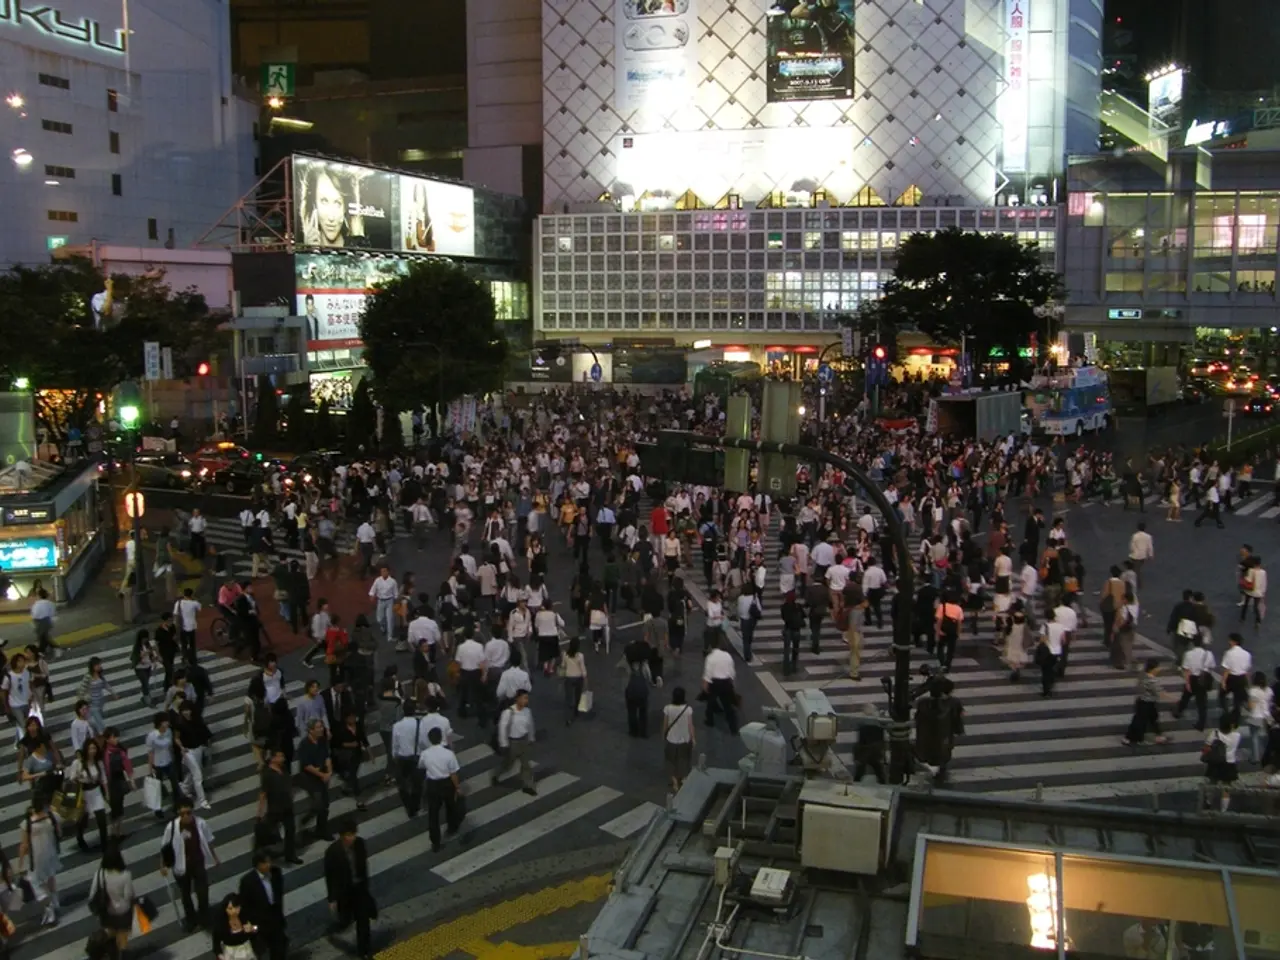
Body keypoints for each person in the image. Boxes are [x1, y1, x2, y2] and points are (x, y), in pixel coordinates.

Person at [160, 797, 220, 932]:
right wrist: (162, 865)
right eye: (182, 814)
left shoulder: (201, 823)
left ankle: (204, 917)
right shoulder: (172, 827)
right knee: (185, 894)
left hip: (198, 862)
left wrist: (215, 857)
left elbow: (209, 841)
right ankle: (191, 919)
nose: (186, 816)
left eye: (188, 813)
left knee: (202, 892)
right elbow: (164, 846)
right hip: (181, 865)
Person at [323, 817, 376, 960]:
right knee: (345, 919)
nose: (352, 838)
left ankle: (364, 951)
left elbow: (363, 867)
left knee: (363, 920)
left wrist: (365, 886)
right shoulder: (332, 852)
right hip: (345, 891)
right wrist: (332, 898)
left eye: (353, 834)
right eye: (348, 835)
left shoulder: (360, 844)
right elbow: (330, 876)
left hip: (359, 888)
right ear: (342, 836)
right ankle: (337, 929)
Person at [20, 794, 62, 926]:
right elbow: (59, 833)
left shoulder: (28, 823)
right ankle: (55, 903)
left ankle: (49, 909)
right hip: (51, 853)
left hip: (36, 858)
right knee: (50, 878)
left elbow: (24, 845)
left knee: (36, 883)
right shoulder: (53, 817)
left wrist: (20, 863)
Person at [255, 748, 302, 865]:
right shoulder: (267, 774)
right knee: (266, 831)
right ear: (273, 758)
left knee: (290, 831)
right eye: (280, 756)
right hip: (275, 809)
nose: (283, 759)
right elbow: (263, 793)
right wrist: (260, 811)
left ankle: (290, 855)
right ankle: (260, 853)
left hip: (287, 806)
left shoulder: (283, 769)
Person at [419, 726, 462, 852]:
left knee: (433, 814)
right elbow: (453, 773)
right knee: (450, 806)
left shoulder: (425, 754)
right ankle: (452, 828)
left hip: (433, 785)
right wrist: (457, 787)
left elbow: (421, 766)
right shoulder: (449, 754)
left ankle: (435, 842)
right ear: (441, 738)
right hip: (447, 783)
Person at [238, 850, 287, 960]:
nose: (268, 865)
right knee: (261, 950)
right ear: (258, 865)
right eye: (265, 863)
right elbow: (244, 905)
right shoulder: (248, 881)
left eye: (269, 862)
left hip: (274, 916)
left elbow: (279, 893)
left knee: (279, 947)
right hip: (260, 922)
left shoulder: (275, 873)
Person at [492, 689, 537, 795]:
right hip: (513, 743)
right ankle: (496, 775)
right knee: (508, 764)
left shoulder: (527, 711)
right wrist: (504, 743)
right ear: (518, 699)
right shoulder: (509, 712)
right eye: (524, 698)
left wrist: (531, 737)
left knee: (526, 765)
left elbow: (530, 725)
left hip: (524, 741)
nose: (526, 701)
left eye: (527, 698)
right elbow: (503, 728)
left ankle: (527, 786)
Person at [87, 842, 133, 946]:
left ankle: (110, 949)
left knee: (110, 935)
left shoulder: (99, 874)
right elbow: (128, 896)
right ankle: (121, 951)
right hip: (122, 913)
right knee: (122, 937)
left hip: (106, 912)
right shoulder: (125, 875)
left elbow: (92, 894)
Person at [68, 738, 109, 851]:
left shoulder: (98, 762)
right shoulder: (77, 763)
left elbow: (103, 779)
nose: (92, 751)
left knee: (101, 818)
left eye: (94, 748)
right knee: (83, 820)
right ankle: (80, 838)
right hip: (84, 793)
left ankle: (104, 842)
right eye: (90, 748)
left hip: (96, 792)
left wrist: (107, 793)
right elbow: (72, 779)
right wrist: (79, 776)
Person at [1121, 659, 1170, 746]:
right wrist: (1173, 699)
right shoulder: (1151, 680)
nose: (1159, 669)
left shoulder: (1142, 674)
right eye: (1157, 667)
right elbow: (1159, 692)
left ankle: (1158, 736)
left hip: (1142, 701)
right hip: (1146, 703)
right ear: (1153, 669)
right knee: (1139, 721)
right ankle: (1130, 738)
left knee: (1152, 718)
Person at [298, 719, 333, 841]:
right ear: (311, 730)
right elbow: (307, 765)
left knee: (325, 803)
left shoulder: (322, 740)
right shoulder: (304, 745)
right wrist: (322, 775)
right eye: (318, 727)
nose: (321, 729)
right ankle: (312, 820)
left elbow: (327, 756)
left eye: (321, 727)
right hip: (310, 778)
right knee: (319, 802)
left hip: (322, 775)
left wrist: (329, 771)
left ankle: (321, 828)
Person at [1203, 715, 1242, 812]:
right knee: (1226, 787)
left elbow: (1206, 747)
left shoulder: (1214, 733)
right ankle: (1224, 810)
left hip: (1216, 762)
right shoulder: (1237, 736)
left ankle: (1208, 802)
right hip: (1229, 763)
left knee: (1212, 782)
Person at [701, 638, 738, 734]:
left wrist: (705, 686)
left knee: (710, 703)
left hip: (715, 683)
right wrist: (731, 684)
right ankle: (733, 728)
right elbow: (732, 672)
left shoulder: (710, 657)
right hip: (726, 683)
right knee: (728, 706)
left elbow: (708, 674)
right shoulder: (728, 656)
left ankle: (710, 721)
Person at [211, 893, 259, 960]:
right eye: (230, 909)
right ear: (225, 909)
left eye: (236, 907)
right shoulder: (220, 924)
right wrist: (221, 956)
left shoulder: (246, 916)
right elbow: (216, 944)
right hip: (231, 955)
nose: (234, 911)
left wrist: (252, 928)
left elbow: (258, 929)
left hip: (248, 952)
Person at [561, 636, 587, 725]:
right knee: (577, 696)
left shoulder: (565, 655)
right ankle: (576, 710)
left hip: (569, 678)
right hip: (578, 678)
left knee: (568, 698)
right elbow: (583, 669)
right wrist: (585, 679)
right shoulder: (580, 656)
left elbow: (563, 666)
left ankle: (568, 718)